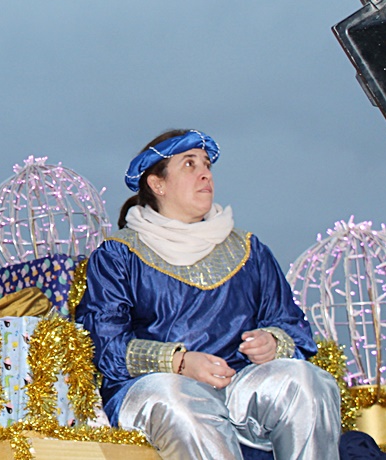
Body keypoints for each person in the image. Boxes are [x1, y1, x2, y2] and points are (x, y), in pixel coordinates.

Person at [75, 129, 340, 459]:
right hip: (154, 391)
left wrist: (273, 343)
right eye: (189, 164)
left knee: (306, 381)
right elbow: (104, 345)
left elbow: (292, 328)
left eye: (207, 165)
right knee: (178, 398)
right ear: (157, 184)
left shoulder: (249, 251)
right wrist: (180, 362)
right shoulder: (119, 256)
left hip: (238, 388)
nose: (205, 174)